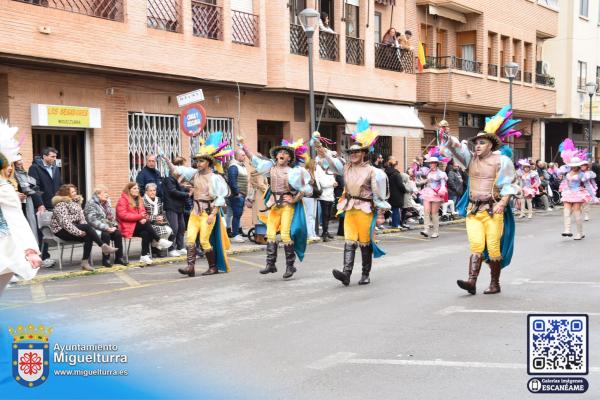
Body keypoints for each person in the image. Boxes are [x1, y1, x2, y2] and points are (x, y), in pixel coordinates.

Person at [440, 105, 520, 295]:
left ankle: (494, 283)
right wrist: (445, 134)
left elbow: (510, 184)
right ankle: (471, 282)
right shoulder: (470, 160)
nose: (477, 145)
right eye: (476, 143)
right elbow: (455, 148)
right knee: (475, 245)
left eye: (482, 143)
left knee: (493, 247)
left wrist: (502, 202)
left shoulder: (502, 161)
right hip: (473, 210)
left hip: (494, 210)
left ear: (491, 145)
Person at [321, 119, 390, 286]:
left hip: (365, 209)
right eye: (351, 153)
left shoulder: (373, 171)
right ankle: (346, 274)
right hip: (349, 208)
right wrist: (322, 150)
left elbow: (378, 193)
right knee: (349, 241)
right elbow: (334, 163)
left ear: (364, 153)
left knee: (365, 242)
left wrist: (381, 212)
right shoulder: (346, 168)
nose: (353, 155)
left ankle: (365, 274)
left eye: (357, 152)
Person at [242, 137, 311, 280]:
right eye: (280, 151)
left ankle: (290, 266)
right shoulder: (270, 169)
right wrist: (244, 147)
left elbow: (307, 189)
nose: (282, 154)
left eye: (285, 153)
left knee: (285, 234)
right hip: (274, 206)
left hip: (287, 206)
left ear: (289, 158)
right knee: (270, 234)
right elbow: (255, 161)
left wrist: (294, 198)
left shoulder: (294, 172)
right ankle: (270, 264)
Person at [164, 131, 231, 277]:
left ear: (208, 162)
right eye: (197, 161)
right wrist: (167, 161)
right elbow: (176, 171)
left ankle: (212, 267)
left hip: (207, 213)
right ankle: (190, 267)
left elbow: (220, 198)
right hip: (195, 212)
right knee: (190, 239)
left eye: (201, 161)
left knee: (204, 241)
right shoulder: (194, 174)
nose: (198, 163)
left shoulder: (215, 178)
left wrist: (213, 215)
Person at [0, 120, 42, 296]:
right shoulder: (5, 188)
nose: (10, 169)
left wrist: (28, 249)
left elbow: (16, 219)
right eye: (7, 165)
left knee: (6, 271)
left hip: (6, 239)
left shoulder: (5, 188)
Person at [51, 184, 118, 271]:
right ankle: (103, 246)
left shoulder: (76, 203)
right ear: (66, 194)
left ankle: (85, 262)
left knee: (88, 236)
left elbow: (82, 220)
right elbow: (65, 223)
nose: (75, 193)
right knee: (87, 228)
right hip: (61, 230)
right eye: (72, 192)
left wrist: (86, 230)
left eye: (75, 191)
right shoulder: (60, 205)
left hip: (74, 228)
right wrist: (79, 232)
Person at [116, 182, 171, 266]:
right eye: (134, 188)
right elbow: (123, 215)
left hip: (137, 226)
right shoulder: (123, 200)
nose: (136, 190)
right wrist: (139, 217)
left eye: (137, 188)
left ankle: (144, 255)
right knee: (146, 225)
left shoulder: (139, 199)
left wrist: (143, 218)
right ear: (129, 190)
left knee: (146, 232)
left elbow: (143, 212)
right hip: (127, 227)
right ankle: (159, 240)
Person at [28, 146, 62, 266]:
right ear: (44, 156)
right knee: (42, 231)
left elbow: (59, 185)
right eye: (52, 156)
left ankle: (45, 257)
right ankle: (42, 257)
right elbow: (33, 188)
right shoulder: (34, 168)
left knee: (49, 230)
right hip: (42, 204)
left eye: (55, 156)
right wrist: (39, 204)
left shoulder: (56, 168)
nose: (54, 159)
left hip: (54, 204)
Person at [84, 185, 127, 267]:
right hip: (94, 229)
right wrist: (106, 228)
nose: (107, 195)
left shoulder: (107, 203)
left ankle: (119, 258)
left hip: (107, 227)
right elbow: (92, 221)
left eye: (107, 193)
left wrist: (114, 226)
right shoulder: (91, 204)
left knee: (118, 234)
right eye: (105, 193)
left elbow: (111, 217)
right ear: (98, 194)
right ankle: (106, 259)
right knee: (105, 235)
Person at [558, 139, 593, 240]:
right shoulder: (567, 173)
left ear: (578, 166)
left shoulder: (583, 174)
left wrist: (594, 196)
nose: (573, 168)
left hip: (578, 193)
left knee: (577, 212)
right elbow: (565, 181)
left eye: (575, 166)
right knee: (566, 211)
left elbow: (588, 185)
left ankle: (579, 233)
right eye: (572, 166)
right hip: (568, 193)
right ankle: (567, 230)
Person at [13, 154, 45, 244]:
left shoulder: (23, 173)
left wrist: (40, 204)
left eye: (21, 159)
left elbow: (34, 189)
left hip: (27, 205)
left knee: (31, 229)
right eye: (17, 160)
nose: (20, 162)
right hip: (17, 207)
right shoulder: (11, 175)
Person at [418, 148, 448, 238]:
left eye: (433, 163)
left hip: (436, 194)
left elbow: (443, 184)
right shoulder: (428, 172)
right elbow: (426, 180)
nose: (431, 164)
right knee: (426, 211)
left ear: (436, 164)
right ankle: (426, 230)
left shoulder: (441, 174)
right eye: (430, 163)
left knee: (434, 213)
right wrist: (420, 183)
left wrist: (441, 190)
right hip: (428, 192)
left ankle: (436, 231)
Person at [162, 166, 189, 256]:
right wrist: (187, 194)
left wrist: (185, 188)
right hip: (171, 207)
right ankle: (171, 248)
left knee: (182, 228)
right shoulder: (168, 180)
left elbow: (180, 190)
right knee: (174, 228)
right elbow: (173, 191)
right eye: (178, 170)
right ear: (173, 172)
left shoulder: (178, 181)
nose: (180, 172)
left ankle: (180, 247)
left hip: (179, 207)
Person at [143, 183, 173, 256]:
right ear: (146, 191)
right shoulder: (142, 200)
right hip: (148, 223)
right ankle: (154, 249)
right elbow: (143, 215)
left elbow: (161, 212)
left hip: (158, 222)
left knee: (169, 230)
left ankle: (157, 248)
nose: (153, 192)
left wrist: (161, 217)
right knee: (158, 231)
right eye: (150, 190)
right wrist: (154, 218)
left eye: (154, 190)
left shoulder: (158, 199)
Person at [227, 149, 248, 243]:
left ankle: (236, 233)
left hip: (241, 194)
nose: (245, 157)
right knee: (237, 214)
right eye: (243, 155)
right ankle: (235, 234)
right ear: (237, 156)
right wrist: (237, 193)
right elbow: (232, 181)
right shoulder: (234, 166)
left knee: (237, 214)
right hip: (237, 195)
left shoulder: (241, 166)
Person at [246, 163, 269, 244]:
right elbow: (261, 185)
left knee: (257, 217)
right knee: (262, 217)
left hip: (256, 196)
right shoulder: (260, 173)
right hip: (260, 196)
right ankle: (260, 238)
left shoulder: (254, 172)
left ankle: (257, 237)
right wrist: (268, 189)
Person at [385, 156, 406, 229]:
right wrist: (404, 190)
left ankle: (394, 224)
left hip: (389, 193)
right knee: (396, 210)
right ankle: (396, 224)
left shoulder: (386, 173)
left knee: (393, 209)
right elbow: (400, 185)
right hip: (397, 194)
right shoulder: (396, 174)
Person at [304, 159, 321, 241]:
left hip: (314, 195)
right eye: (315, 164)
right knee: (309, 215)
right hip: (308, 196)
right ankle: (309, 234)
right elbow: (302, 183)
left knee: (313, 215)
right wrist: (308, 182)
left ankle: (313, 232)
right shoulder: (306, 172)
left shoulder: (314, 173)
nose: (315, 166)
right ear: (311, 164)